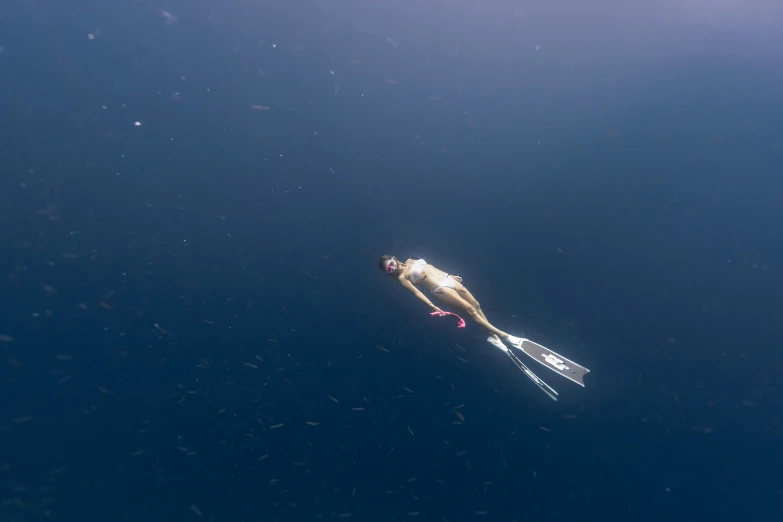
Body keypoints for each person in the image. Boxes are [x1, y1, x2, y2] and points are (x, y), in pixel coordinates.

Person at [378, 255, 590, 400]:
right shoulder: (403, 279)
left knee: (478, 306)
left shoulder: (411, 260)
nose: (392, 268)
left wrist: (451, 274)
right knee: (470, 311)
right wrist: (433, 306)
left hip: (448, 279)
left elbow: (432, 266)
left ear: (394, 259)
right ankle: (504, 335)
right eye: (388, 269)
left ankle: (492, 334)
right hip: (439, 288)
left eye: (391, 264)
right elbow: (417, 293)